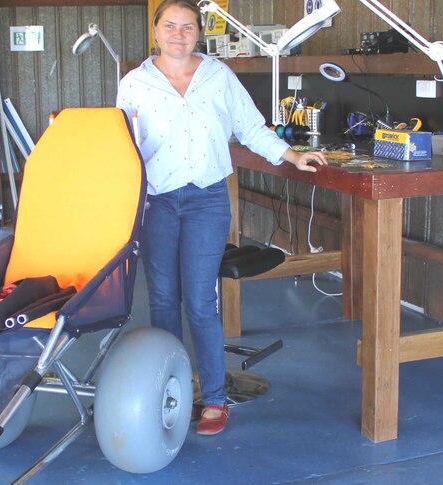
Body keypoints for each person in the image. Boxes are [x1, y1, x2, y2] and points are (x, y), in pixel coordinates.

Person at [116, 0, 327, 436]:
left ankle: (213, 398)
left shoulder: (218, 76)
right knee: (161, 300)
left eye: (188, 27)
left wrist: (292, 155)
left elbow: (251, 128)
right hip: (156, 200)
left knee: (199, 301)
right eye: (170, 26)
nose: (179, 34)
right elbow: (124, 146)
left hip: (206, 200)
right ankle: (167, 388)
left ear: (199, 33)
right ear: (155, 31)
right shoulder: (134, 83)